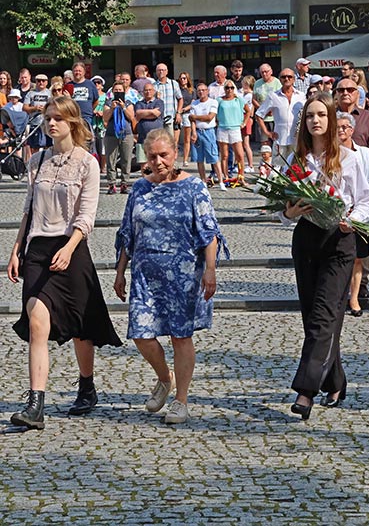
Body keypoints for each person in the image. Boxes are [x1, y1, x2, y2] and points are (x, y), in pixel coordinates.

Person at [7, 96, 121, 430]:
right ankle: (35, 405)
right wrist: (16, 249)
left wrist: (70, 248)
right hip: (37, 250)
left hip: (72, 248)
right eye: (47, 118)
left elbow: (86, 216)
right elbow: (28, 210)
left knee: (80, 327)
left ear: (72, 122)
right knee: (37, 323)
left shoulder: (88, 163)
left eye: (57, 118)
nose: (51, 124)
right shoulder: (37, 161)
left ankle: (86, 385)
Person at [114, 128, 228, 424]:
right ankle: (165, 378)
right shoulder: (139, 188)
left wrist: (211, 271)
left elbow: (209, 233)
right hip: (144, 273)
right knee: (141, 334)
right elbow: (128, 233)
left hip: (183, 275)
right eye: (152, 156)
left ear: (175, 153)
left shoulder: (194, 187)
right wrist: (120, 272)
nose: (159, 161)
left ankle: (181, 400)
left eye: (164, 155)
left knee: (180, 336)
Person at [281, 93, 369, 420]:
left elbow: (365, 200)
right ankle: (335, 379)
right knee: (314, 317)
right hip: (306, 239)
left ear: (331, 120)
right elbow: (283, 208)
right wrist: (289, 212)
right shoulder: (299, 160)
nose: (315, 120)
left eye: (321, 115)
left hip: (339, 240)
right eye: (310, 116)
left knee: (323, 315)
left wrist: (353, 220)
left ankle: (306, 391)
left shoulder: (350, 158)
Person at [337, 112, 369, 317]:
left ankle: (354, 298)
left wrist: (358, 210)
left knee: (358, 258)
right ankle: (341, 295)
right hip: (337, 214)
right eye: (338, 127)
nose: (341, 130)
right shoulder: (329, 153)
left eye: (345, 127)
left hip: (359, 212)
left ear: (352, 130)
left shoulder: (364, 153)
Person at [256, 68, 305, 160]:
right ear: (280, 79)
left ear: (294, 79)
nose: (287, 79)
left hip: (297, 139)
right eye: (283, 77)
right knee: (278, 169)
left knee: (296, 168)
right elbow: (259, 115)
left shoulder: (301, 96)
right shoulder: (273, 96)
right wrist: (267, 133)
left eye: (289, 77)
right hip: (280, 139)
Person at [189, 82, 226, 189]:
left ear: (207, 91)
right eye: (199, 90)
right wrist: (193, 133)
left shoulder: (213, 102)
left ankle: (221, 181)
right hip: (197, 131)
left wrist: (195, 117)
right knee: (199, 159)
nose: (201, 92)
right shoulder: (194, 103)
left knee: (214, 157)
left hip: (208, 131)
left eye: (203, 90)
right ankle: (203, 181)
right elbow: (191, 121)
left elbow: (210, 117)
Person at [104, 81, 135, 194]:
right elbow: (105, 118)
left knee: (126, 159)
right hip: (111, 134)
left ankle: (124, 183)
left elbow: (131, 117)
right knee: (111, 160)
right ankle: (111, 184)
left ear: (124, 91)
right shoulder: (108, 103)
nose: (118, 92)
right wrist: (112, 109)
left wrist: (123, 108)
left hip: (126, 134)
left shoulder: (128, 103)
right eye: (116, 90)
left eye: (120, 90)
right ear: (112, 91)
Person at [216, 80, 250, 181]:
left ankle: (241, 176)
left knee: (239, 154)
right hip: (223, 128)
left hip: (235, 128)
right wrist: (216, 121)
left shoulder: (238, 99)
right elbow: (213, 112)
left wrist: (244, 122)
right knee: (224, 155)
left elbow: (248, 111)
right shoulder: (219, 100)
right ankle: (225, 176)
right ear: (224, 89)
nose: (229, 90)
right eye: (227, 88)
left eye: (231, 88)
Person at [154, 63, 183, 135]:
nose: (161, 72)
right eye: (159, 70)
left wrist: (178, 113)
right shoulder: (153, 85)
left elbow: (180, 99)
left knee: (171, 142)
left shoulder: (173, 83)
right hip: (158, 120)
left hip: (171, 119)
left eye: (163, 70)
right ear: (156, 72)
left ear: (167, 72)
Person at [177, 72, 195, 167]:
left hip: (187, 114)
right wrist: (179, 112)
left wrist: (184, 109)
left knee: (187, 138)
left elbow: (193, 103)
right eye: (181, 78)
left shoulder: (192, 90)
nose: (183, 80)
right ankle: (175, 158)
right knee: (175, 138)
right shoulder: (177, 89)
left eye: (184, 78)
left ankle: (185, 159)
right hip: (178, 114)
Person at [239, 75, 255, 172]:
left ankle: (250, 165)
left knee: (245, 143)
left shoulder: (249, 95)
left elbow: (242, 103)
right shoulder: (244, 93)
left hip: (246, 117)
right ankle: (241, 164)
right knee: (240, 143)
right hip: (241, 116)